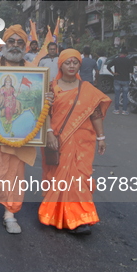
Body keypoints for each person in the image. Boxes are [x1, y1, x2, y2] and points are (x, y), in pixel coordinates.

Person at [0, 24, 52, 234]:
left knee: (15, 175)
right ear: (4, 44)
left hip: (20, 134)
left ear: (25, 46)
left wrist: (47, 99)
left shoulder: (35, 71)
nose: (15, 46)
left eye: (20, 43)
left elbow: (41, 97)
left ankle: (10, 213)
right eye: (11, 42)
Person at [39, 49, 110, 235]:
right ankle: (56, 215)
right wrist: (48, 134)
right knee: (58, 177)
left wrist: (101, 137)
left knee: (79, 179)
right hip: (57, 139)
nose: (71, 66)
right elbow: (45, 113)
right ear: (60, 65)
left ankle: (79, 219)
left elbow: (95, 115)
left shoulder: (87, 89)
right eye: (67, 63)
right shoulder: (51, 88)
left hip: (82, 142)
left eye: (75, 62)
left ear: (80, 65)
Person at [107, 47, 133, 115]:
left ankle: (116, 110)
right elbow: (131, 71)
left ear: (120, 53)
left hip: (117, 78)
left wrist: (113, 73)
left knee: (117, 95)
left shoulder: (116, 60)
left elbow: (108, 66)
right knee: (125, 95)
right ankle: (124, 110)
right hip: (126, 79)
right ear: (126, 54)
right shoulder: (129, 60)